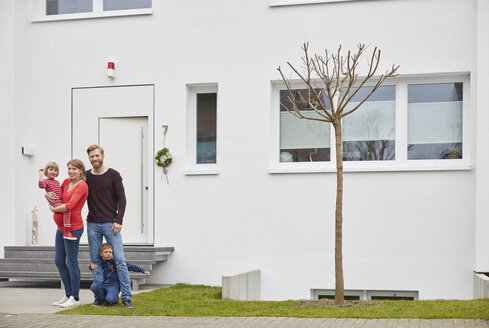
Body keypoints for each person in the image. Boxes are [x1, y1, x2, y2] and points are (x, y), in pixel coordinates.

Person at [85, 144, 135, 308]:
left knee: (119, 260)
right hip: (92, 224)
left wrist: (119, 220)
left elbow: (122, 199)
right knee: (95, 261)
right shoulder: (86, 177)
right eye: (92, 156)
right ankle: (99, 296)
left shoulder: (113, 175)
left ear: (103, 156)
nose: (95, 159)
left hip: (110, 223)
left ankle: (127, 297)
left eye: (97, 155)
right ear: (89, 158)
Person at [49, 159, 89, 308]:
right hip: (61, 227)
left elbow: (70, 205)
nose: (71, 171)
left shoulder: (82, 185)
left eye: (74, 169)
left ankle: (75, 297)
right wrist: (48, 197)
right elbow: (57, 198)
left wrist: (54, 209)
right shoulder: (65, 182)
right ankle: (67, 294)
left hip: (73, 228)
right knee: (59, 261)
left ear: (81, 171)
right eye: (69, 169)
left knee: (71, 262)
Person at [38, 161, 75, 240]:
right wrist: (41, 174)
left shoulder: (57, 182)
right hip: (55, 202)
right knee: (67, 210)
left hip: (59, 202)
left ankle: (66, 230)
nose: (53, 172)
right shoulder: (46, 181)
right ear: (46, 171)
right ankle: (67, 231)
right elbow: (41, 185)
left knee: (66, 209)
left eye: (55, 170)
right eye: (51, 170)